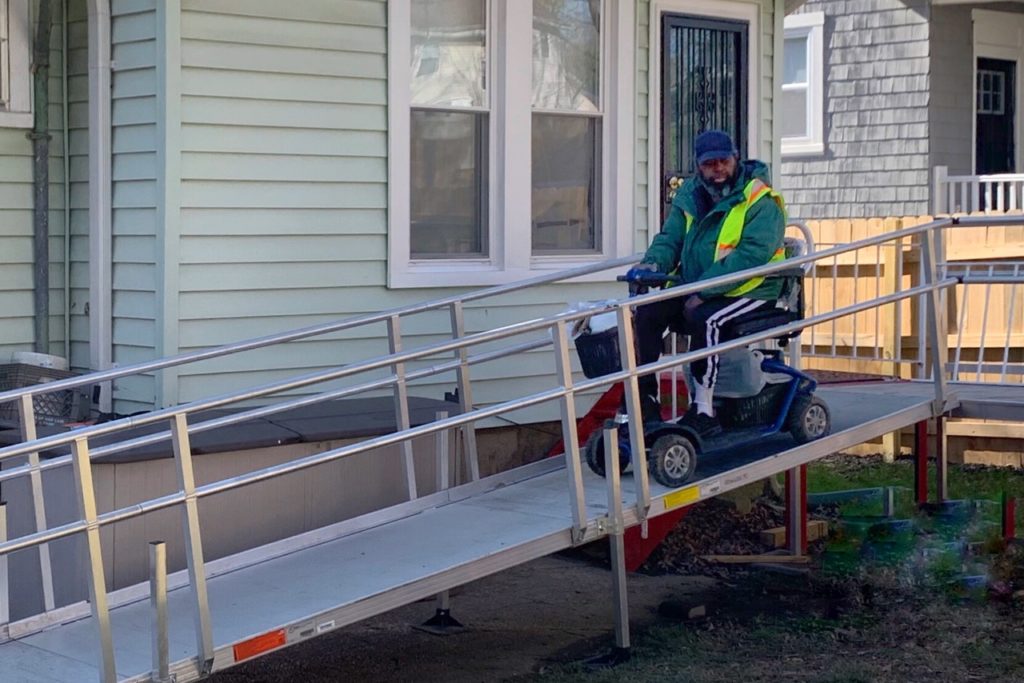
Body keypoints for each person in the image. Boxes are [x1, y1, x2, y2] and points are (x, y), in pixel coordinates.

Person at [624, 130, 787, 437]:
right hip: (698, 286)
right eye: (709, 164)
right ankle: (644, 401)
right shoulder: (689, 196)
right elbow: (670, 239)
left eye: (723, 161)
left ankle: (704, 411)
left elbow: (752, 257)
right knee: (647, 312)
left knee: (706, 319)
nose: (718, 169)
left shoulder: (761, 200)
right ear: (698, 166)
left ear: (735, 158)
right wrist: (651, 265)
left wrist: (702, 290)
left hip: (753, 287)